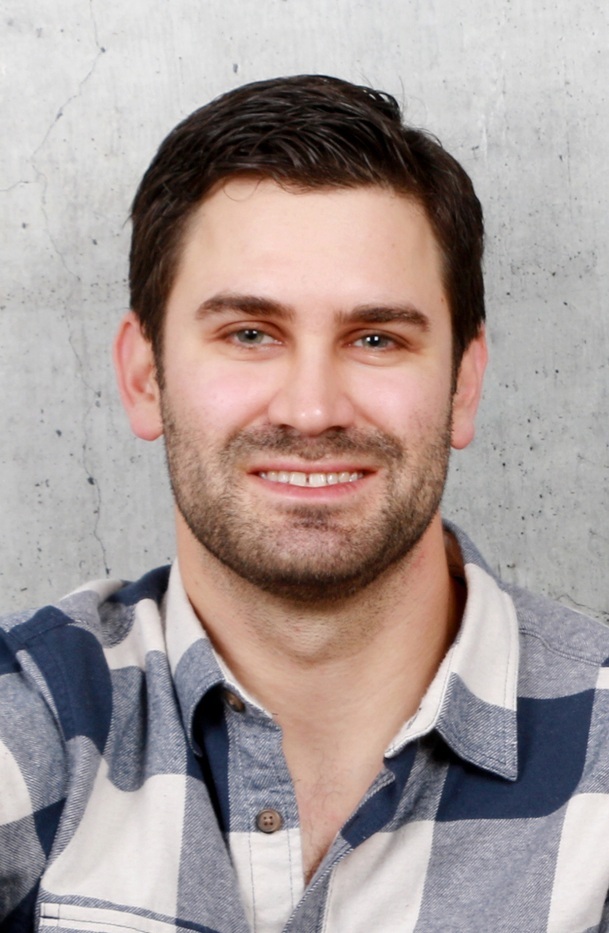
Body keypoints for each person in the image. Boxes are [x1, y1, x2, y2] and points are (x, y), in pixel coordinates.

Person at [1, 74, 608, 933]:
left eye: (375, 338)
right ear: (143, 376)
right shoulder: (30, 720)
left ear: (463, 385)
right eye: (249, 334)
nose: (312, 409)